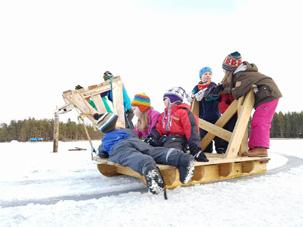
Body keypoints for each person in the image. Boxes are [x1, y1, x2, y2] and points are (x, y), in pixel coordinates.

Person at [93, 112, 196, 195]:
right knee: (153, 151)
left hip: (118, 148)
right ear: (114, 124)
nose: (120, 122)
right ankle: (181, 158)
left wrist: (102, 153)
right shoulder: (127, 132)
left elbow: (102, 153)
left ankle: (148, 168)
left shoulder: (105, 140)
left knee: (132, 157)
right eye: (117, 122)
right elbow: (134, 134)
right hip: (134, 141)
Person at [221, 51, 282, 157]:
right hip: (265, 95)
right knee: (256, 121)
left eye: (225, 70)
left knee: (261, 121)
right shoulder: (242, 74)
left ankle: (261, 148)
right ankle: (254, 147)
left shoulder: (243, 75)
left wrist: (225, 89)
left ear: (230, 70)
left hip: (268, 95)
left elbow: (238, 91)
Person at [145, 87, 209, 162]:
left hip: (178, 139)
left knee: (171, 148)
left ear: (172, 100)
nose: (163, 101)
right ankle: (151, 157)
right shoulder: (164, 115)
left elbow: (191, 130)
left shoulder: (183, 112)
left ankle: (177, 157)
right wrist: (152, 137)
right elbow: (159, 128)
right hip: (166, 138)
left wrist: (195, 149)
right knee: (150, 146)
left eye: (165, 99)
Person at [191, 67, 226, 153]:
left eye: (210, 74)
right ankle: (206, 149)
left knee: (218, 131)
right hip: (203, 115)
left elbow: (218, 94)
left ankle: (221, 148)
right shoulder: (197, 87)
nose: (208, 75)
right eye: (205, 74)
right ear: (201, 77)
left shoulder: (213, 85)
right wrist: (192, 96)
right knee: (203, 133)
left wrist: (218, 90)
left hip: (214, 113)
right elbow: (192, 95)